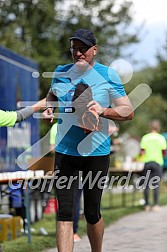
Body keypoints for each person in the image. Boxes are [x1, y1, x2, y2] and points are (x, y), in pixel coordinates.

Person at [43, 28, 134, 252]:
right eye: (75, 48)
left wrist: (103, 110)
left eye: (84, 48)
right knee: (64, 213)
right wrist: (48, 108)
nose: (79, 53)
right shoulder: (61, 72)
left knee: (92, 213)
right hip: (66, 152)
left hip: (97, 153)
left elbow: (128, 111)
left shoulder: (108, 75)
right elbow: (52, 94)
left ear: (95, 50)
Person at [49, 122, 82, 242]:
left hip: (73, 167)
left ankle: (73, 231)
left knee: (71, 201)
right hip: (64, 166)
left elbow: (52, 148)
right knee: (68, 201)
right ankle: (70, 232)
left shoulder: (56, 126)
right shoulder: (57, 127)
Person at [140, 119, 167, 212]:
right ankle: (155, 205)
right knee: (156, 184)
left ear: (150, 127)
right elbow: (164, 152)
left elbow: (142, 152)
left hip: (147, 162)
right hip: (157, 162)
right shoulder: (161, 138)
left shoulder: (145, 137)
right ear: (158, 127)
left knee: (146, 185)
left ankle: (147, 205)